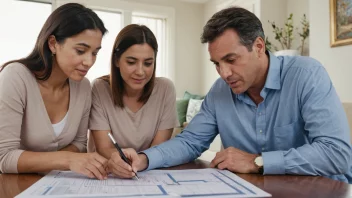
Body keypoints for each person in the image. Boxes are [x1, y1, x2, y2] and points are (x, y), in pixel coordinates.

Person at [114, 7, 352, 183]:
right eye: (216, 63)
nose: (224, 73)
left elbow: (337, 154)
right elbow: (190, 142)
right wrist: (144, 159)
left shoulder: (306, 75)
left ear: (259, 46)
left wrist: (257, 161)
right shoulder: (220, 91)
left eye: (230, 60)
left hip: (321, 189)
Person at [0, 3, 109, 180]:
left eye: (95, 53)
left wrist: (69, 160)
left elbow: (80, 144)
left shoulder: (83, 87)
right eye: (80, 51)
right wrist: (68, 160)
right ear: (53, 44)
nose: (89, 62)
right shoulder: (15, 77)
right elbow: (4, 157)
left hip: (56, 185)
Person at [89, 24, 179, 178]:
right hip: (107, 175)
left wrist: (139, 162)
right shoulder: (99, 88)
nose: (140, 71)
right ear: (117, 61)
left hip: (146, 173)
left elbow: (158, 148)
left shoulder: (165, 89)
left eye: (148, 63)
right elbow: (104, 147)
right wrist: (118, 159)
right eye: (131, 62)